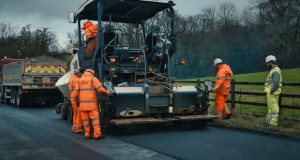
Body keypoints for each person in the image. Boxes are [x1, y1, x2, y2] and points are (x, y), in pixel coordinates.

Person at [71, 69, 110, 139]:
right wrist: (107, 92)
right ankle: (97, 135)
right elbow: (100, 89)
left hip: (82, 106)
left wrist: (77, 103)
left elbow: (74, 94)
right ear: (92, 73)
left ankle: (87, 134)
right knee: (95, 120)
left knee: (85, 121)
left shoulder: (79, 80)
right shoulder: (93, 79)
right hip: (92, 105)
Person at [264, 55, 282, 127]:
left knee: (274, 109)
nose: (267, 64)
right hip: (270, 94)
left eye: (267, 63)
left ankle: (273, 124)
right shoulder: (273, 70)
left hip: (272, 93)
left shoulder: (275, 71)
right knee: (270, 109)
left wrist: (271, 91)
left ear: (271, 62)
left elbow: (276, 83)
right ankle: (268, 123)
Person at [68, 67, 83, 133]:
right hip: (76, 99)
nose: (81, 74)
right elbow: (77, 91)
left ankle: (74, 127)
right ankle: (78, 129)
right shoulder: (77, 80)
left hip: (73, 98)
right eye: (80, 73)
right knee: (78, 115)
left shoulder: (71, 78)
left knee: (75, 114)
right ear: (77, 73)